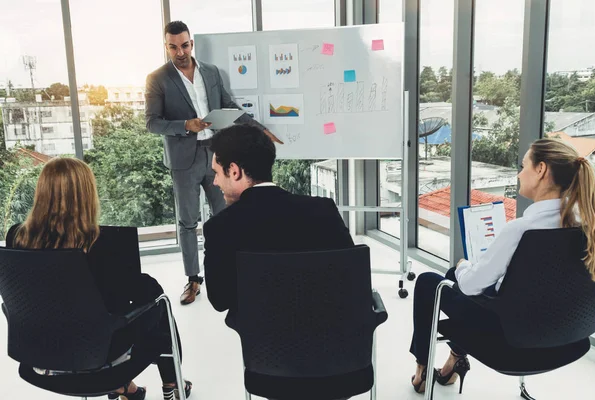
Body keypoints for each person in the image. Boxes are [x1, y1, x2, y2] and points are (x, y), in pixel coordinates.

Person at [408, 138, 595, 394]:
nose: (520, 174)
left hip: (511, 345)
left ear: (541, 170)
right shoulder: (590, 228)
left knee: (435, 280)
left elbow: (469, 286)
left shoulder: (520, 230)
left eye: (523, 166)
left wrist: (464, 265)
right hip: (570, 340)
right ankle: (452, 362)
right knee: (469, 278)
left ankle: (423, 370)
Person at [6, 158, 192, 400]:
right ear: (86, 194)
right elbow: (124, 304)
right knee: (158, 304)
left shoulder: (17, 238)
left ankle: (127, 390)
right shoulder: (106, 242)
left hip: (38, 352)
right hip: (94, 353)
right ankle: (172, 383)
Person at [202, 124, 354, 400]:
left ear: (234, 171)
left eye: (216, 173)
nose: (215, 182)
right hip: (339, 363)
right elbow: (354, 284)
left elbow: (219, 300)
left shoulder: (220, 228)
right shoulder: (323, 211)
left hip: (269, 368)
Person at [145, 20, 283, 305]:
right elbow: (152, 123)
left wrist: (259, 128)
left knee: (224, 216)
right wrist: (186, 125)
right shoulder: (157, 79)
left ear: (191, 43)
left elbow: (230, 107)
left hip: (217, 154)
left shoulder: (211, 72)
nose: (180, 52)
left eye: (184, 45)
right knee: (187, 221)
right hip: (183, 159)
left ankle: (228, 272)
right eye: (173, 47)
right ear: (166, 46)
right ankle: (193, 279)